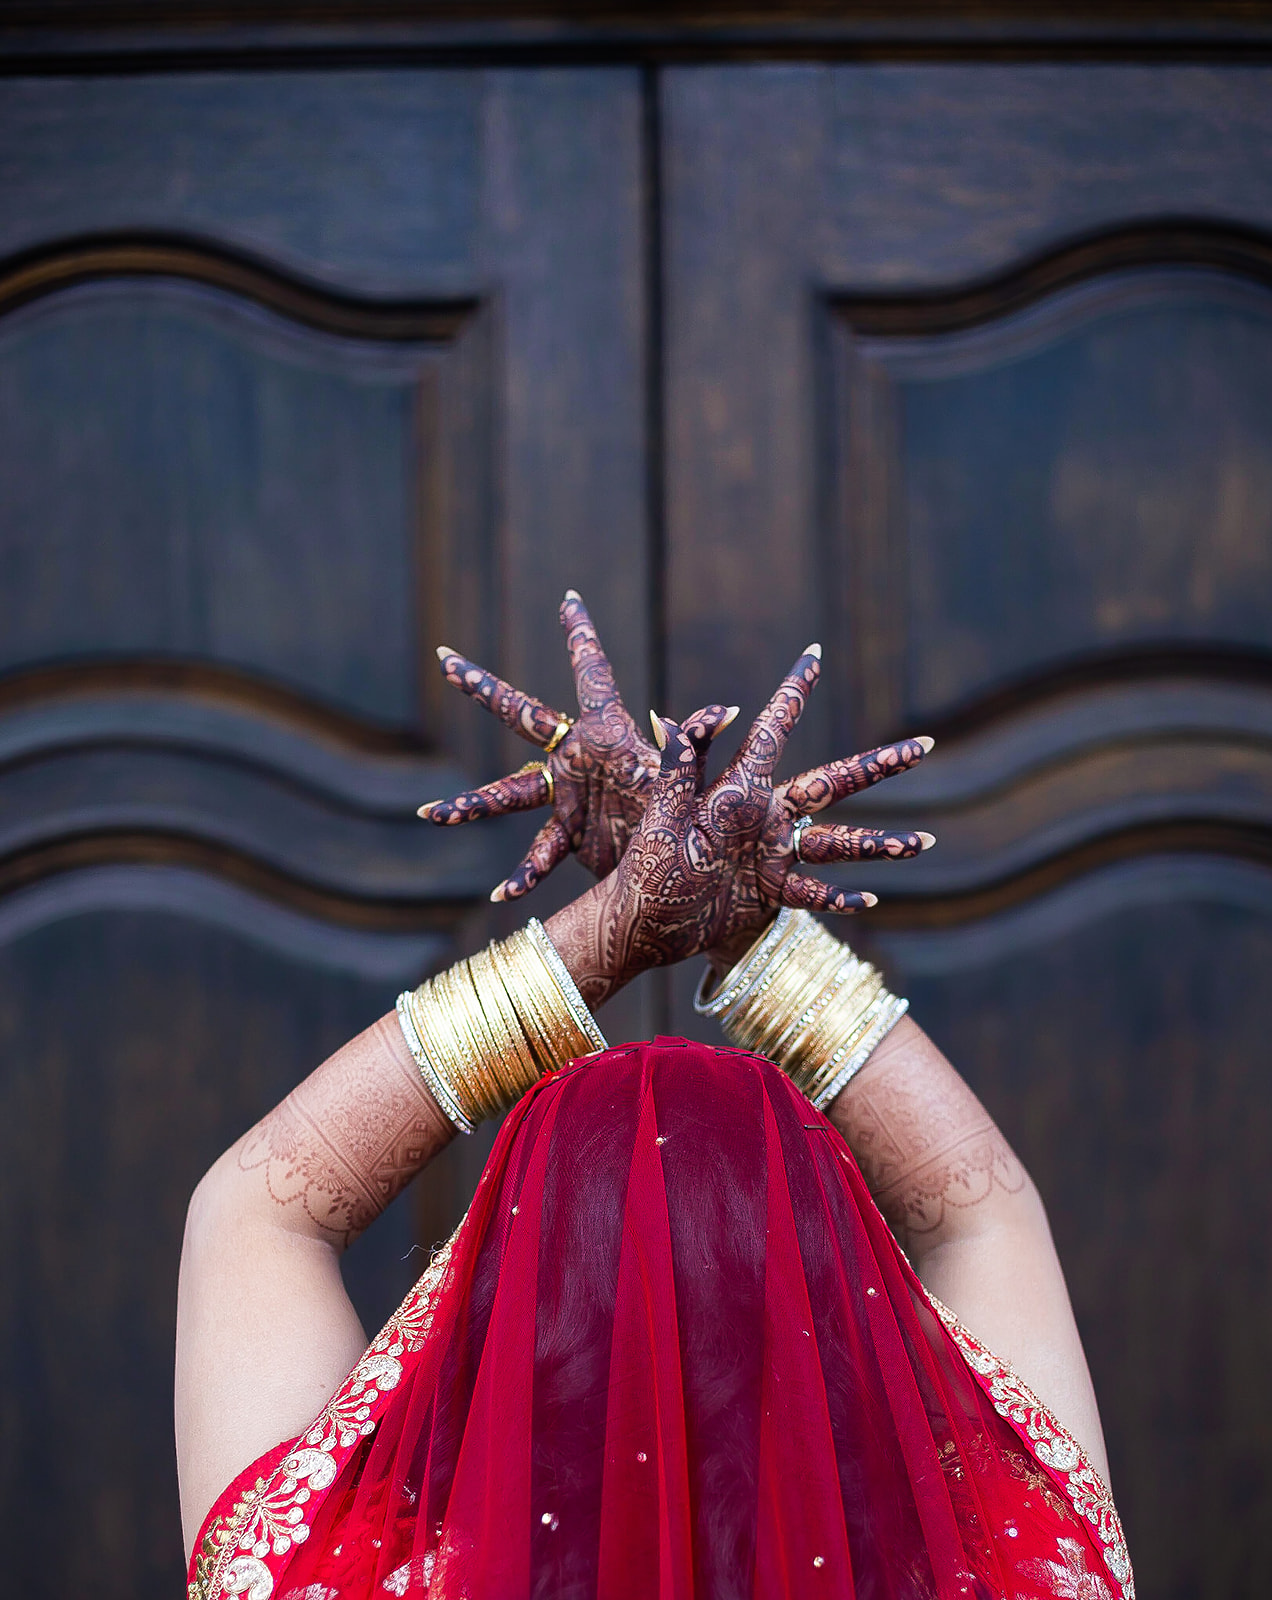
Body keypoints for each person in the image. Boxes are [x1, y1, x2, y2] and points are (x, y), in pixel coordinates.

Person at [178, 595, 1132, 1600]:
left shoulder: (318, 1573)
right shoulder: (1028, 1563)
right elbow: (986, 1211)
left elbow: (254, 1213)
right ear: (841, 1294)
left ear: (502, 1293)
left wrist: (620, 924)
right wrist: (757, 937)